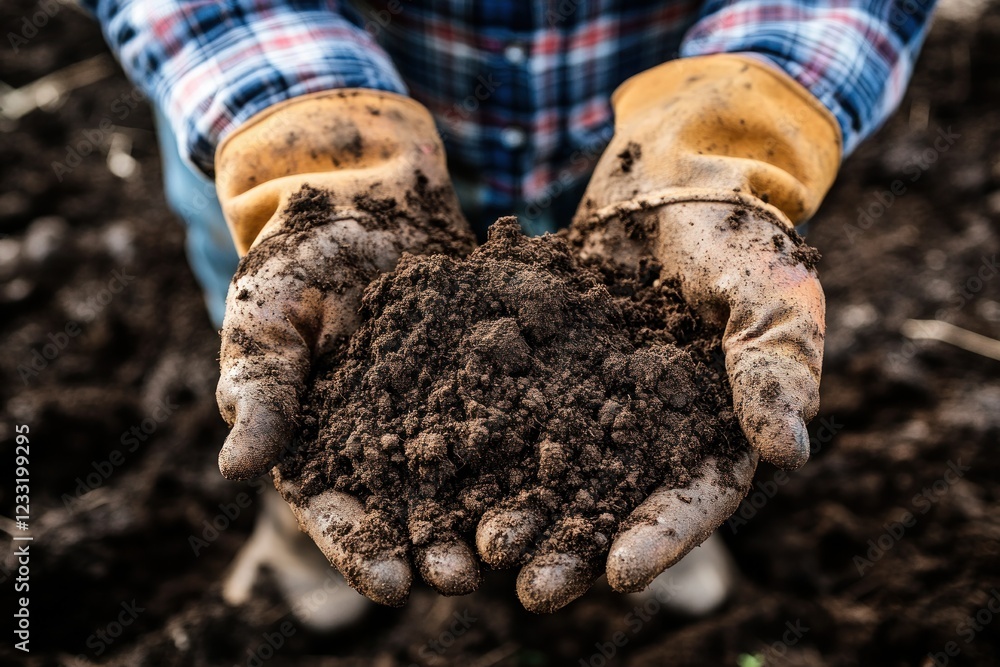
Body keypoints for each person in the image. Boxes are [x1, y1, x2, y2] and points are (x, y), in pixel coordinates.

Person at [83, 0, 935, 626]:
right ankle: (302, 529)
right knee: (291, 324)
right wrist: (302, 130)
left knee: (683, 306)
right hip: (304, 122)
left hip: (658, 142)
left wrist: (740, 132)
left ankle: (645, 486)